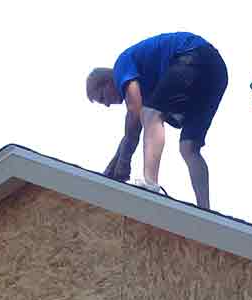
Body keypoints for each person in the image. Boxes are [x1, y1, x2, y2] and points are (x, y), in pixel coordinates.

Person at [86, 32, 228, 209]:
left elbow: (135, 111)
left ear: (107, 82)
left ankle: (150, 184)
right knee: (189, 147)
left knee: (151, 113)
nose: (106, 104)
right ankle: (205, 209)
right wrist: (114, 167)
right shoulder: (143, 86)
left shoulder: (121, 65)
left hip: (193, 54)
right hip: (216, 71)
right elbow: (132, 131)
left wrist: (124, 162)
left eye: (102, 97)